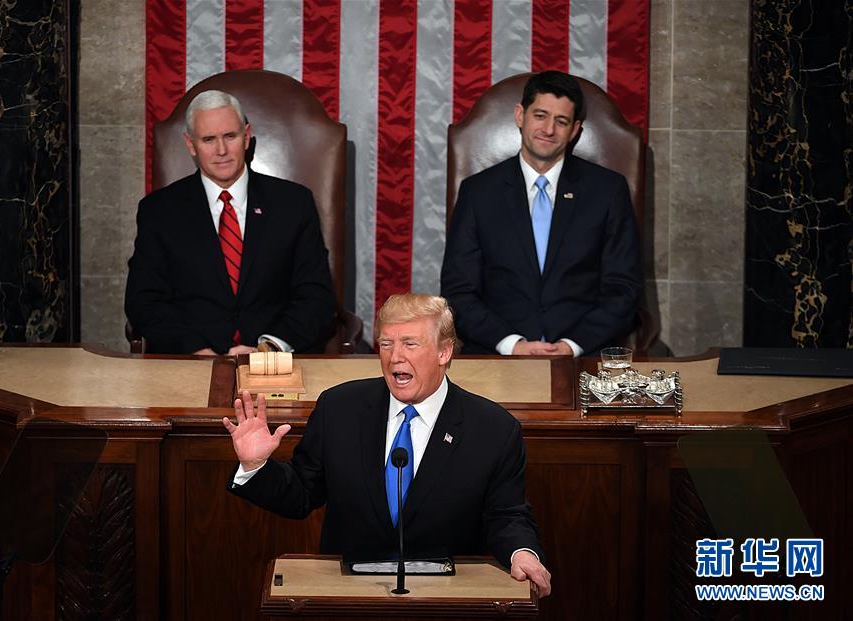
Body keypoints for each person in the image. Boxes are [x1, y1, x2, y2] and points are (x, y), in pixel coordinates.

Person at [223, 293, 551, 596]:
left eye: (410, 344)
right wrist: (256, 466)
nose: (395, 358)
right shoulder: (339, 409)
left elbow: (507, 515)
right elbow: (301, 494)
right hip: (350, 597)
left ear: (444, 352)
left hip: (445, 600)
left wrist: (522, 553)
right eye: (386, 344)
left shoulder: (492, 428)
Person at [440, 70, 642, 357]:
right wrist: (510, 344)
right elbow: (458, 291)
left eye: (561, 121)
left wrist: (572, 346)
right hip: (498, 355)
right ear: (520, 116)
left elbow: (623, 288)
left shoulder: (608, 191)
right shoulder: (478, 192)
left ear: (575, 130)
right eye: (540, 116)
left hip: (584, 355)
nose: (548, 129)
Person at [125, 89, 335, 355]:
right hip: (189, 362)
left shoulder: (294, 204)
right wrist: (195, 349)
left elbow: (316, 297)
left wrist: (270, 347)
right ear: (191, 144)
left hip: (272, 363)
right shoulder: (159, 211)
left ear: (246, 137)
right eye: (209, 139)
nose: (221, 150)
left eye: (230, 136)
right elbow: (144, 301)